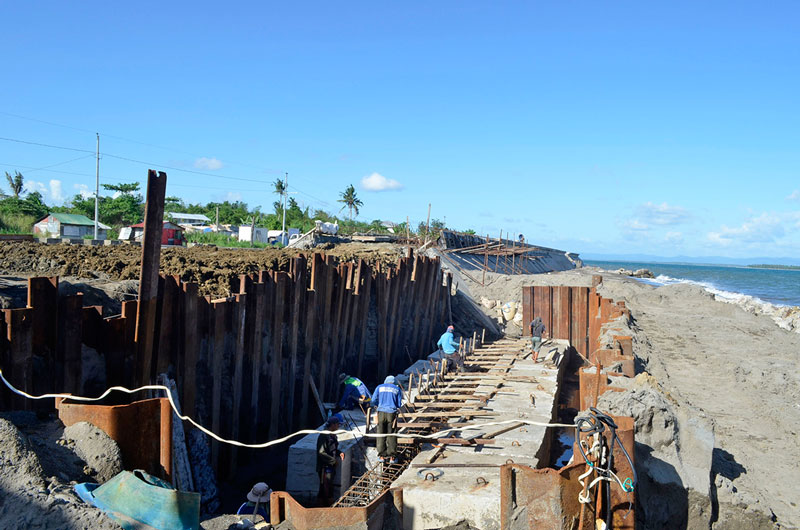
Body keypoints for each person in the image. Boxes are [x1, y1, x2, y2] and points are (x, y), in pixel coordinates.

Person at [373, 375, 403, 464]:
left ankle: (382, 456)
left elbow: (373, 400)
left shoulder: (379, 387)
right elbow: (398, 404)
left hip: (381, 412)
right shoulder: (397, 389)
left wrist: (378, 405)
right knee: (392, 434)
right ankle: (392, 457)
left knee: (381, 434)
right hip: (391, 413)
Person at [316, 413, 344, 506]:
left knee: (328, 488)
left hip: (330, 467)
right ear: (333, 425)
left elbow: (333, 448)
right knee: (325, 489)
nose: (338, 427)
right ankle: (325, 508)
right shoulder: (324, 436)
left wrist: (339, 453)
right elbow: (321, 453)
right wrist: (333, 461)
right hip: (325, 467)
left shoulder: (333, 435)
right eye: (337, 425)